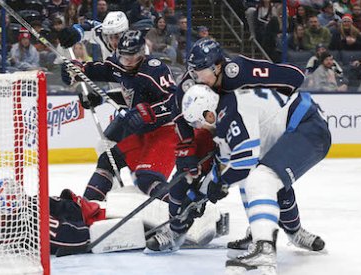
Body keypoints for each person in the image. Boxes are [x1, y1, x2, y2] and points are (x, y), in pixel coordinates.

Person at [145, 38, 323, 253]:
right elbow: (181, 117)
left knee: (263, 177)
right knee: (184, 179)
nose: (195, 77)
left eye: (200, 71)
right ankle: (174, 231)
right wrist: (187, 148)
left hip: (244, 125)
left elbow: (294, 77)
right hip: (206, 126)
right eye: (192, 71)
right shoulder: (190, 84)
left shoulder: (238, 73)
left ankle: (290, 231)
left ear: (218, 66)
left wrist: (274, 105)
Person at [180, 84, 331, 273]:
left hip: (307, 124)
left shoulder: (230, 113)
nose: (198, 128)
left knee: (260, 179)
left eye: (197, 123)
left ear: (208, 113)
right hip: (293, 129)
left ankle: (264, 248)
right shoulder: (223, 117)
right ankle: (288, 233)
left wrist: (220, 184)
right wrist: (197, 197)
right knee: (260, 178)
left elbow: (243, 163)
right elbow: (225, 167)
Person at [61, 30, 178, 202]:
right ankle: (86, 210)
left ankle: (176, 213)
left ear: (141, 54)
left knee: (147, 179)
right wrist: (78, 70)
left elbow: (175, 101)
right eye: (123, 58)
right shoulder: (120, 65)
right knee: (107, 160)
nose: (127, 63)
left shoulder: (154, 70)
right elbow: (99, 71)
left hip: (166, 133)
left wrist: (149, 113)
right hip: (143, 135)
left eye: (131, 58)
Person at [0, 178, 104, 255]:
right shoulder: (31, 209)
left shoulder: (34, 222)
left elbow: (77, 237)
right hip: (88, 212)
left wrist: (99, 231)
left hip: (94, 217)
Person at [58, 11, 129, 61]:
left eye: (117, 37)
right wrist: (77, 31)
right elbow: (91, 27)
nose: (113, 42)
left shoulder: (136, 45)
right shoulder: (102, 35)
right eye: (110, 37)